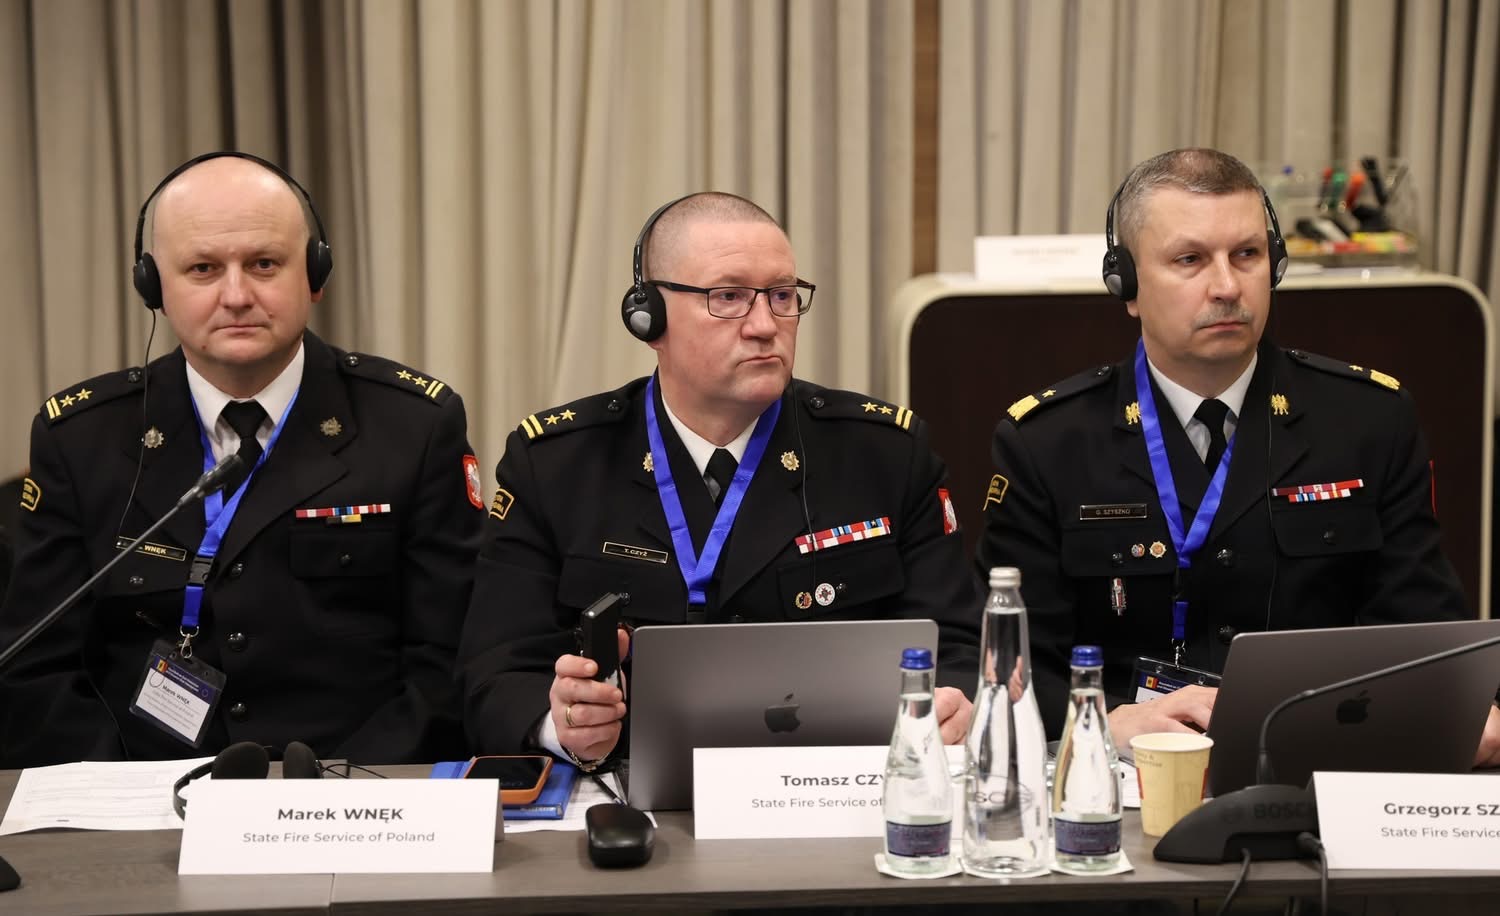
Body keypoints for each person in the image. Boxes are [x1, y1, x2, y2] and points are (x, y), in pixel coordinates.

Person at [976, 147, 1500, 764]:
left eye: (1247, 255)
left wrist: (1451, 713)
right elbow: (1011, 670)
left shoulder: (1369, 421)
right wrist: (1097, 723)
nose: (1227, 287)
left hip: (1320, 763)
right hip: (1125, 774)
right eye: (1190, 260)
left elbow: (1423, 635)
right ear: (1127, 286)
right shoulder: (1048, 442)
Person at [458, 192, 981, 768]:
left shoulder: (885, 453)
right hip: (628, 792)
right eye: (728, 297)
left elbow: (960, 648)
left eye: (782, 295)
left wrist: (955, 702)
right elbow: (493, 674)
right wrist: (560, 725)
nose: (765, 326)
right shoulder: (557, 464)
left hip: (839, 787)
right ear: (648, 319)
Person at [0, 153, 483, 767]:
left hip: (356, 792)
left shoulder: (414, 426)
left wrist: (340, 792)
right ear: (153, 287)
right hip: (141, 797)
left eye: (264, 264)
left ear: (315, 274)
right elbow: (36, 667)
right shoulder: (81, 437)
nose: (236, 296)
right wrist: (127, 795)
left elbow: (451, 660)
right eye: (203, 268)